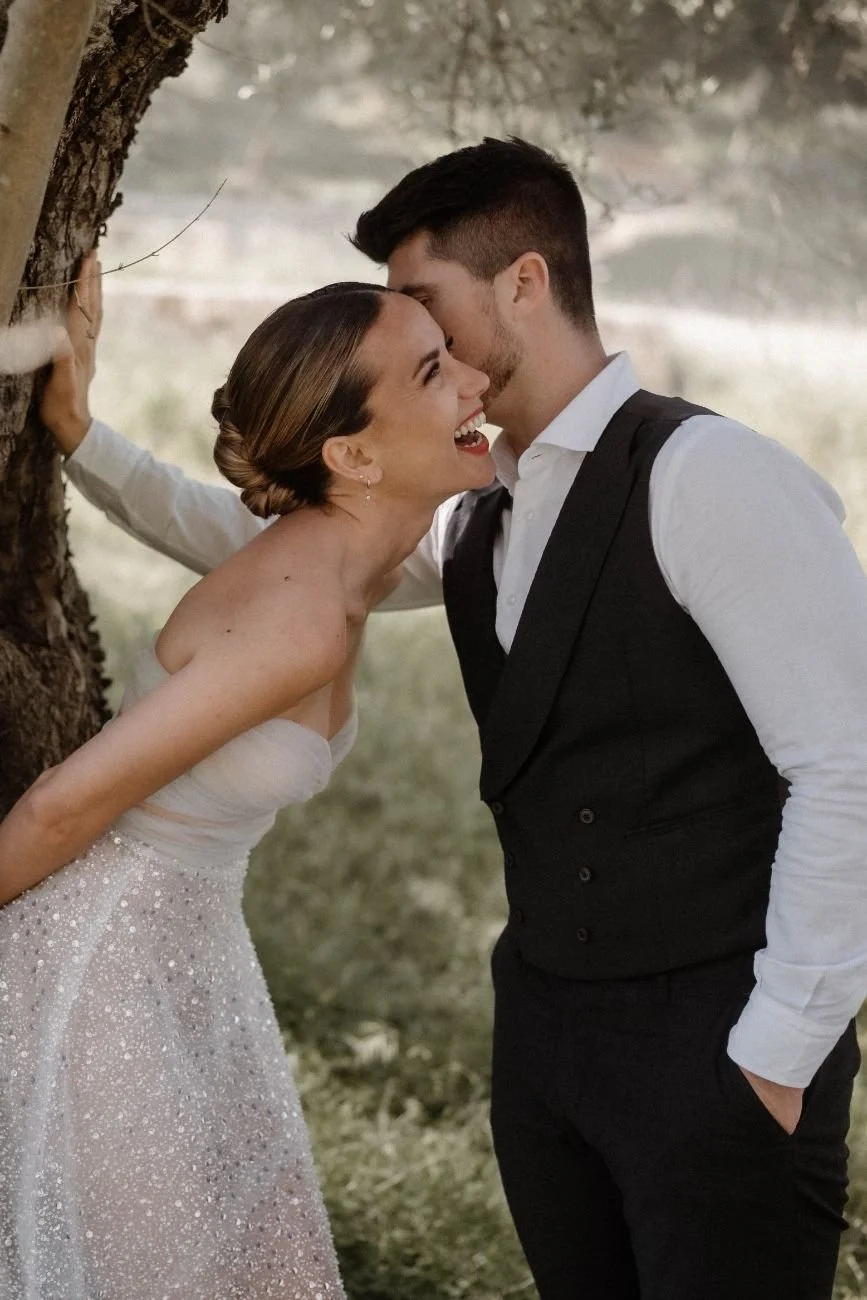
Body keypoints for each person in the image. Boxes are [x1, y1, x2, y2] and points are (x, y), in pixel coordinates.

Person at [53, 139, 867, 1299]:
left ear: (524, 284)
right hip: (545, 1043)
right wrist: (83, 441)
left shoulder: (713, 477)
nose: (404, 335)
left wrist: (778, 1056)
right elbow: (284, 551)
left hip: (720, 1056)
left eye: (421, 304)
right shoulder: (477, 503)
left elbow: (848, 767)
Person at [0, 253, 492, 1300]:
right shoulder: (302, 615)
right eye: (434, 373)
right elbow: (64, 801)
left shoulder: (349, 556)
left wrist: (80, 428)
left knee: (281, 1268)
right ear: (353, 455)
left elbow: (194, 515)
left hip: (197, 950)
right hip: (107, 965)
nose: (478, 384)